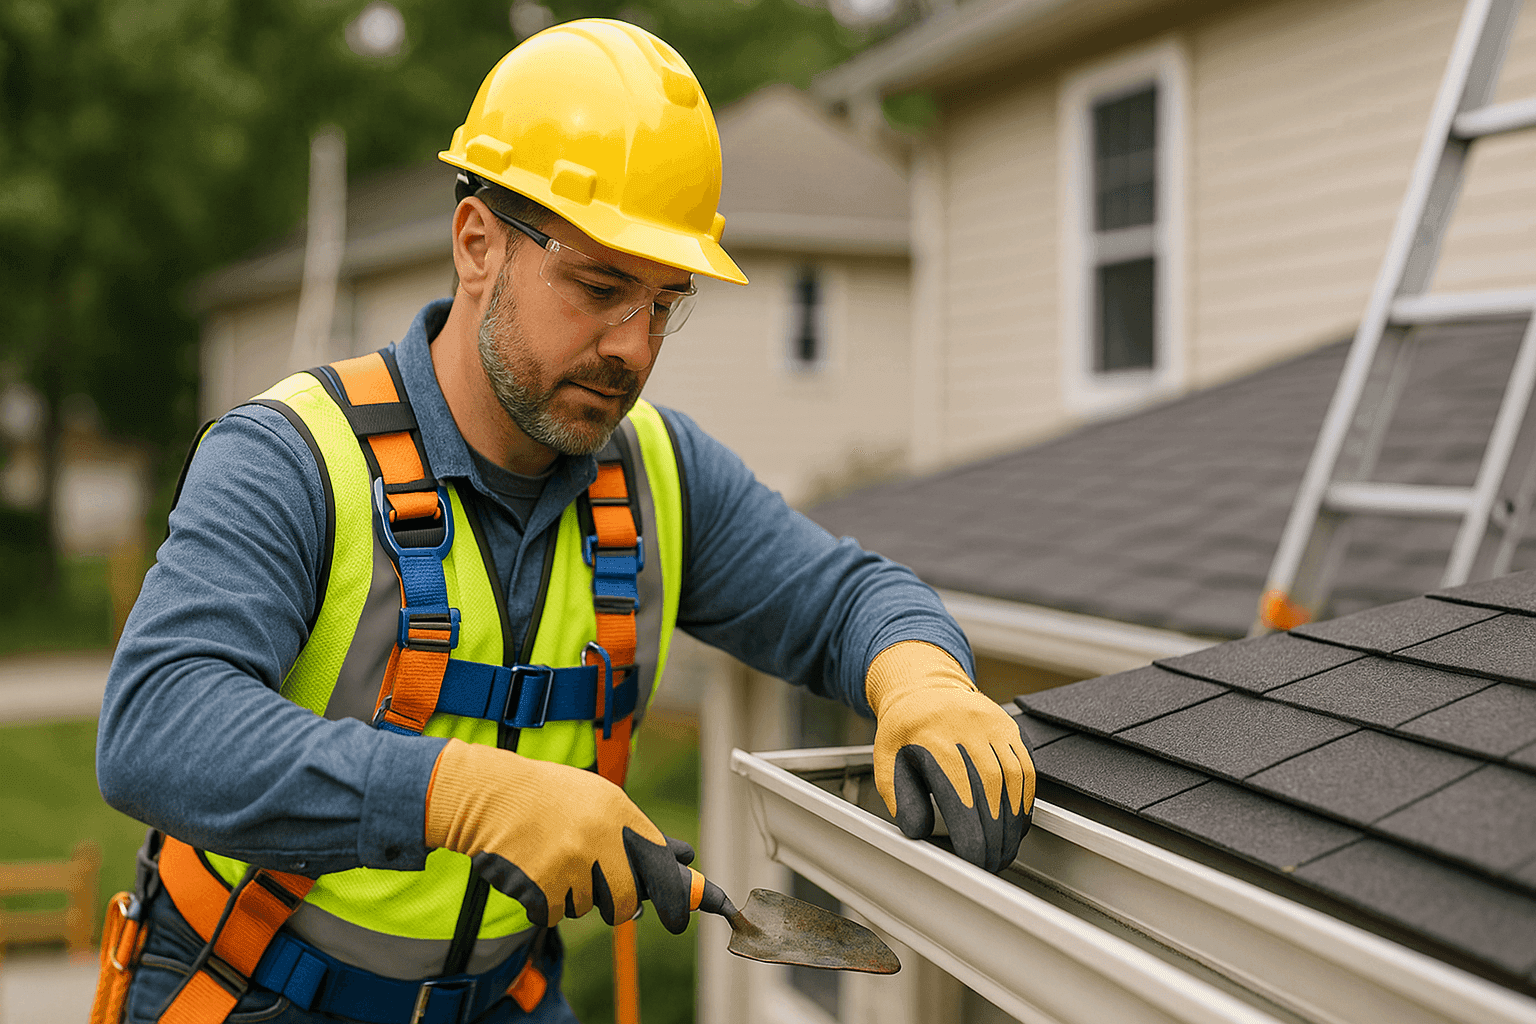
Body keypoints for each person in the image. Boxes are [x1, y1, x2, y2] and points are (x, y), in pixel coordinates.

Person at [96, 19, 1034, 1024]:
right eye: (599, 288)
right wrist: (466, 793)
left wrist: (922, 676)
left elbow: (846, 597)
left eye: (665, 305)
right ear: (477, 245)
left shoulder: (658, 474)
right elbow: (157, 725)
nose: (632, 347)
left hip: (502, 998)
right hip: (250, 992)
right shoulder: (294, 457)